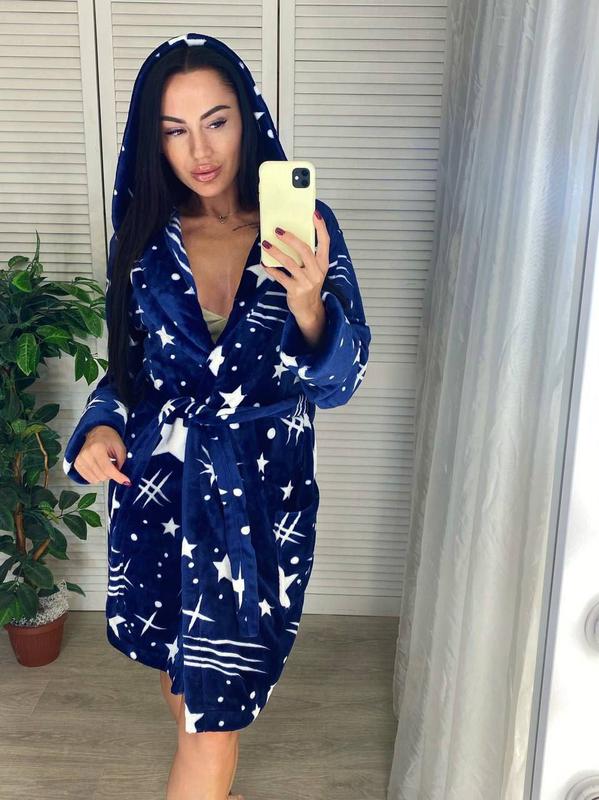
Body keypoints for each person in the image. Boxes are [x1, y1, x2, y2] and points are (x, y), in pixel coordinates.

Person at [62, 32, 371, 799]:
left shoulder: (306, 227)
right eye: (175, 130)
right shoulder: (144, 238)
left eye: (216, 121)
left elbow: (341, 380)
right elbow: (126, 372)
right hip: (158, 493)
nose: (199, 151)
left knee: (212, 719)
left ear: (249, 118)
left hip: (257, 498)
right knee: (182, 686)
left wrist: (308, 305)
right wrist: (100, 428)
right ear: (153, 139)